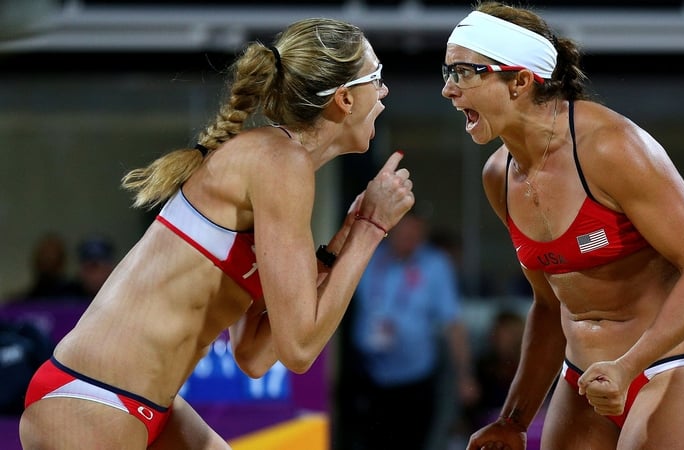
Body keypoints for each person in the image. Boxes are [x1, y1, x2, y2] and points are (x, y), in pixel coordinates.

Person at [19, 17, 414, 450]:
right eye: (377, 78)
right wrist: (371, 231)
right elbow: (301, 349)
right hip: (93, 398)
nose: (385, 92)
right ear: (343, 99)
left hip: (138, 403)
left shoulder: (277, 165)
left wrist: (342, 243)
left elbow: (255, 356)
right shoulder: (280, 162)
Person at [441, 2, 684, 449]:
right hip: (584, 381)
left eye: (464, 72)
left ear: (520, 80)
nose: (448, 89)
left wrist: (628, 365)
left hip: (670, 369)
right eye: (446, 72)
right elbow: (547, 304)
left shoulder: (609, 147)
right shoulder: (499, 176)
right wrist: (514, 419)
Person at [346, 209, 478, 450]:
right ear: (391, 230)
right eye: (405, 232)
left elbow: (453, 323)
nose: (410, 239)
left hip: (415, 379)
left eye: (416, 233)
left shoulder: (435, 265)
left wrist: (465, 375)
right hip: (369, 375)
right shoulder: (370, 258)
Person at [71, 235, 117, 299]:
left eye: (101, 270)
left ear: (111, 270)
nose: (95, 277)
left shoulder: (122, 296)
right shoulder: (67, 298)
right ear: (80, 272)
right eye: (89, 270)